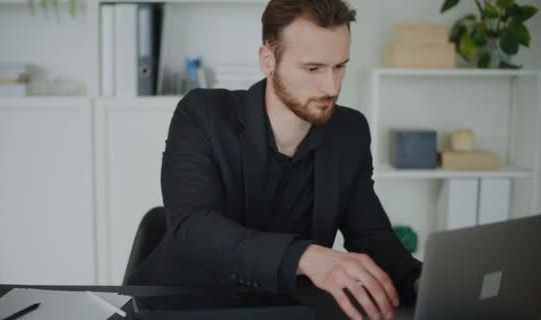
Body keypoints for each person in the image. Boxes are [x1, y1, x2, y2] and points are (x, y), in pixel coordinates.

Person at [131, 1, 422, 319]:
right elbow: (194, 227)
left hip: (283, 308)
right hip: (186, 307)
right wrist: (306, 257)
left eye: (340, 66)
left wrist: (420, 281)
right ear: (268, 60)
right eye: (313, 69)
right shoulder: (203, 114)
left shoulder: (348, 131)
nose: (332, 86)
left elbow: (371, 235)